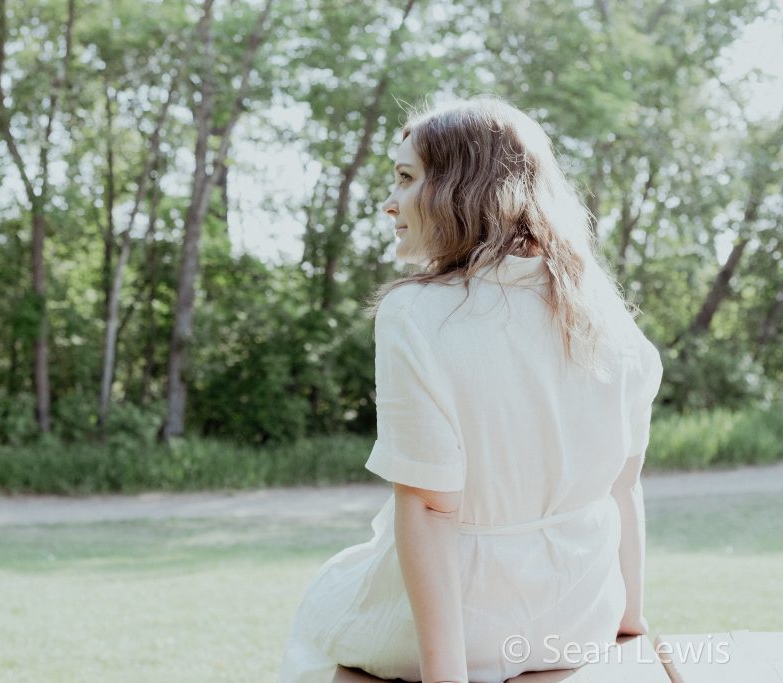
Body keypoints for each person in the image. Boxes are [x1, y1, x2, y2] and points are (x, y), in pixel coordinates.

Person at [277, 94, 663, 683]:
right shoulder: (608, 317)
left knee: (321, 616)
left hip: (466, 626)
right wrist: (629, 618)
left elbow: (431, 506)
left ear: (460, 188)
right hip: (577, 616)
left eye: (406, 178)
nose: (389, 202)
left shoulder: (416, 312)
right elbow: (624, 486)